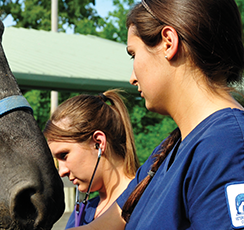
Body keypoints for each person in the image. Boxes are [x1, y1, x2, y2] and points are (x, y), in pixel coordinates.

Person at [70, 0, 244, 229]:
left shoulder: (226, 147)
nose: (131, 77)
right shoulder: (168, 150)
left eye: (133, 54)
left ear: (168, 43)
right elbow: (112, 221)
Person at [43, 89, 140, 228]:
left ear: (99, 143)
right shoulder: (82, 214)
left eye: (64, 155)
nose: (61, 172)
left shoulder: (149, 203)